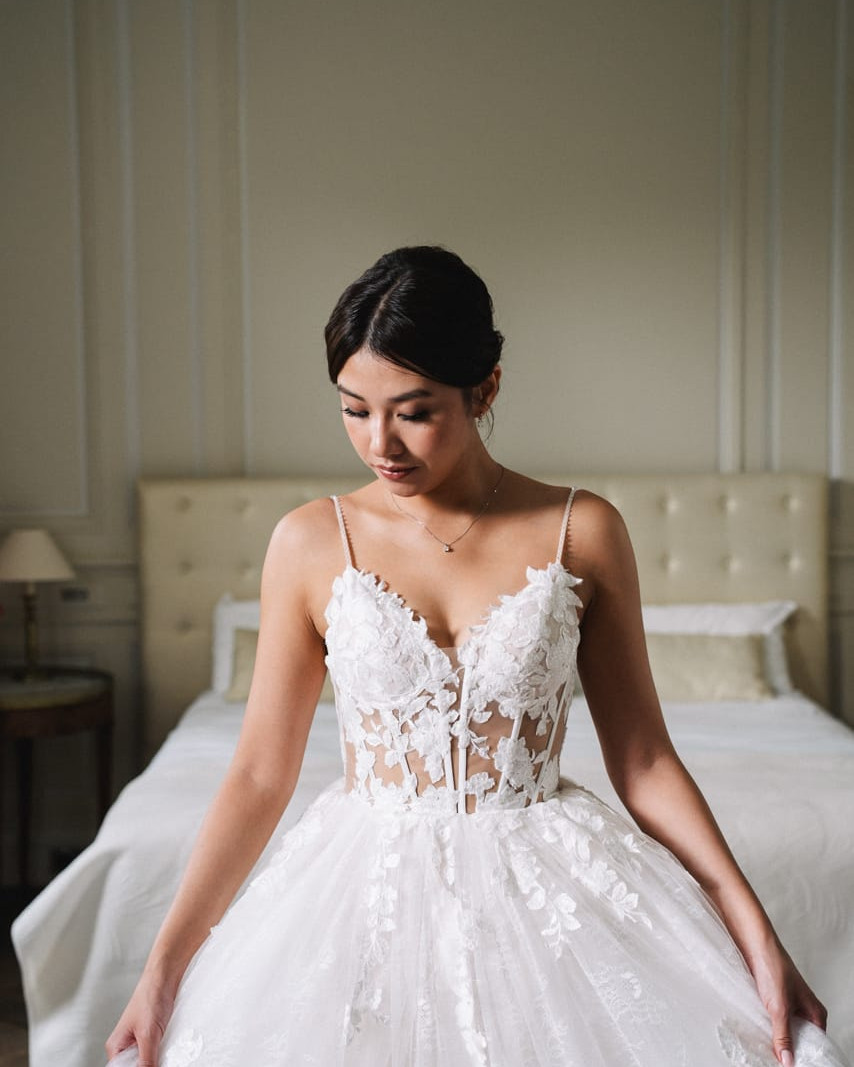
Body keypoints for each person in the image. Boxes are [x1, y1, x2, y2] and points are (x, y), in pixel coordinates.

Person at [106, 246, 848, 1067]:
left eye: (414, 410)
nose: (380, 442)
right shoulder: (312, 541)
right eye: (354, 409)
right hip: (360, 888)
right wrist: (164, 968)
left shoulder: (584, 530)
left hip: (551, 877)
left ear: (485, 386)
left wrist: (755, 933)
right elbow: (257, 775)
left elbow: (642, 760)